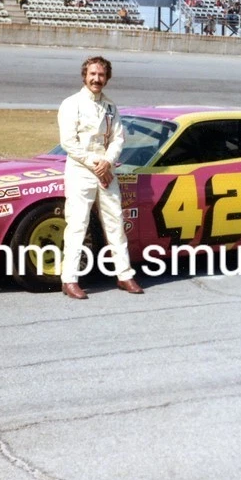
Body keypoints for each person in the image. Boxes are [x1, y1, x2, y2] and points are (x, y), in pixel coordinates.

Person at [58, 56, 143, 299]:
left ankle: (125, 275)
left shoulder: (111, 107)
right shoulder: (71, 104)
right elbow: (68, 142)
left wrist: (107, 161)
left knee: (115, 222)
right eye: (93, 74)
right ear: (84, 75)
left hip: (106, 170)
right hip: (81, 170)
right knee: (77, 225)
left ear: (107, 78)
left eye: (101, 75)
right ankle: (70, 280)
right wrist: (96, 164)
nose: (97, 79)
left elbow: (118, 138)